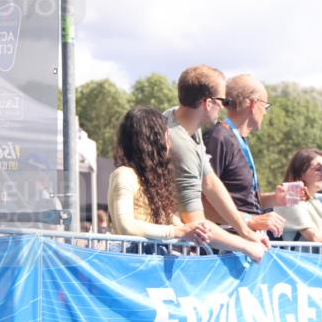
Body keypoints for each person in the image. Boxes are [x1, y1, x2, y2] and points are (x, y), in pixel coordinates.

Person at [108, 106, 265, 261]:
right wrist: (179, 232)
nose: (170, 142)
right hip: (133, 264)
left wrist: (246, 243)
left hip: (150, 261)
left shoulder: (151, 182)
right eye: (166, 135)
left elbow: (182, 224)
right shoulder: (124, 175)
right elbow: (126, 226)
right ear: (154, 140)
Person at [163, 65, 269, 251]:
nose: (224, 106)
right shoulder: (180, 146)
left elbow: (210, 181)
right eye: (222, 100)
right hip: (163, 248)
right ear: (208, 103)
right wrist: (248, 246)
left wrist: (245, 231)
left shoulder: (181, 120)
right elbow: (196, 223)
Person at [203, 74, 286, 236]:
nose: (266, 113)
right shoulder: (218, 138)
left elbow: (240, 200)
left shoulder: (238, 140)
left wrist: (275, 199)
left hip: (246, 241)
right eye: (266, 106)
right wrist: (249, 220)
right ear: (253, 104)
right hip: (224, 246)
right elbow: (201, 203)